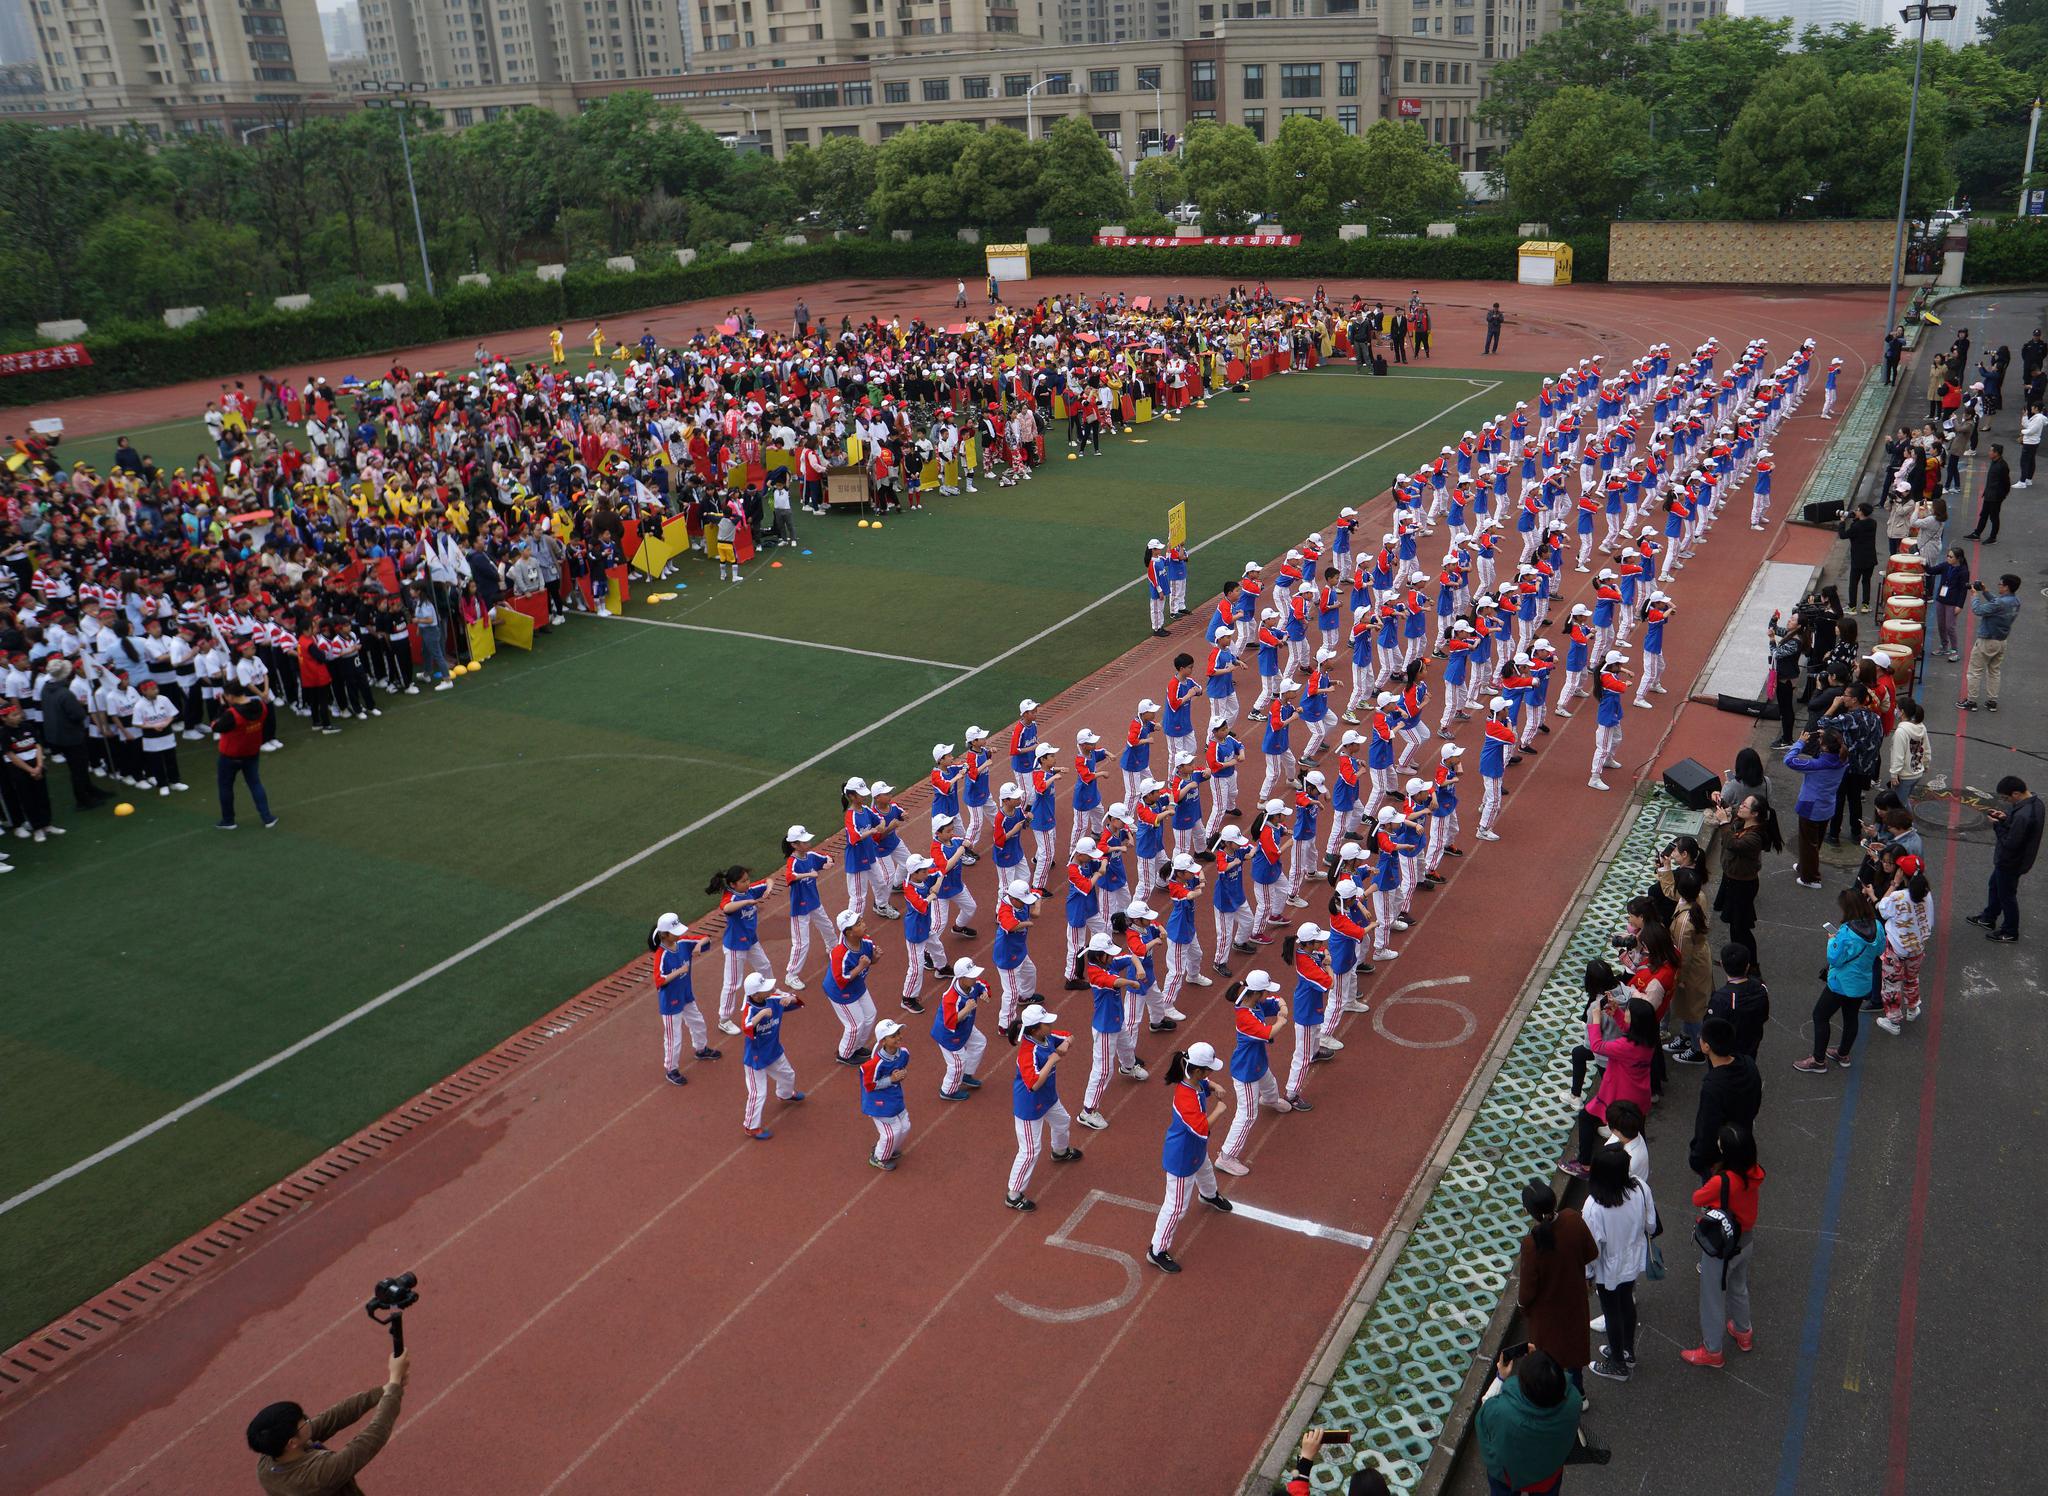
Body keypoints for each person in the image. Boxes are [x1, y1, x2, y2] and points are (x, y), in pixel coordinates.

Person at [247, 1349, 410, 1496]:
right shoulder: (316, 1477)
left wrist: (385, 1390)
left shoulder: (270, 1457)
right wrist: (394, 1381)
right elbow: (372, 1438)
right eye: (303, 1421)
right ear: (291, 1443)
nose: (309, 1420)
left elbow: (333, 1417)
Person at [1682, 1123, 1764, 1369]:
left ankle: (1712, 1350)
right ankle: (1743, 1331)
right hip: (1745, 1240)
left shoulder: (1724, 1180)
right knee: (1738, 1286)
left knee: (1712, 1297)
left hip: (1723, 1246)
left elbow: (1697, 1198)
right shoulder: (1754, 1172)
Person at [1146, 1041, 1234, 1272]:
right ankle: (1157, 1250)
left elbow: (1203, 1084)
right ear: (1196, 1070)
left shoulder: (1194, 1082)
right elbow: (1201, 1128)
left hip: (1194, 1149)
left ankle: (1208, 1195)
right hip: (1182, 1157)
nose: (1211, 1073)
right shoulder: (1186, 1098)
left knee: (1205, 1170)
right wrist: (1219, 1110)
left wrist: (1213, 1085)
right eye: (1209, 1070)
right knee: (1176, 1207)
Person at [1580, 1144, 1653, 1380]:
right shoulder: (1640, 1187)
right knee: (1626, 1304)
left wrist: (1587, 1275)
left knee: (1612, 1311)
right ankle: (1627, 1351)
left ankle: (1617, 1364)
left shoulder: (1594, 1206)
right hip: (1634, 1259)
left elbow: (1591, 1249)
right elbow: (1651, 1224)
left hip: (1608, 1268)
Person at [1513, 1179, 1596, 1388]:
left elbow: (1527, 1291)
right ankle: (1579, 1392)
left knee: (1550, 1360)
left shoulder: (1532, 1245)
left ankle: (1559, 1400)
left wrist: (1523, 1307)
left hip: (1546, 1313)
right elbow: (1591, 1252)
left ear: (1528, 1211)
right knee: (1574, 1350)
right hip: (1575, 1301)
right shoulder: (1573, 1219)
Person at [1563, 994, 1655, 1179]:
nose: (1626, 1012)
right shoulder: (1648, 1038)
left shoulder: (1626, 1046)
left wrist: (1596, 1019)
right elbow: (1631, 1029)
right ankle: (1642, 1162)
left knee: (1586, 1117)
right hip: (1640, 1095)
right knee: (1637, 1131)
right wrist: (1618, 1014)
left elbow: (1597, 1046)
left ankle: (1585, 1165)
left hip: (1619, 1095)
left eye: (1628, 1010)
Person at [1794, 887, 1882, 1073]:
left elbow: (1834, 958)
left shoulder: (1846, 933)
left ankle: (1818, 1061)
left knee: (1820, 1015)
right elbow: (1880, 950)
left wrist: (1831, 939)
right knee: (1851, 1018)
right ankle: (1843, 1054)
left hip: (1840, 984)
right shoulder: (1877, 926)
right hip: (1861, 984)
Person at [1476, 1347, 1583, 1496]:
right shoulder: (1574, 1400)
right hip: (1548, 1472)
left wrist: (1500, 1377)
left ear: (1523, 1386)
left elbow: (1485, 1408)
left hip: (1508, 1476)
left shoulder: (1502, 1412)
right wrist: (1541, 1366)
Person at [1007, 1002, 1081, 1210]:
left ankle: (1059, 1151)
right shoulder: (1027, 1053)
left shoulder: (1046, 1037)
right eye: (1046, 1023)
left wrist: (1063, 1047)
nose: (1050, 1025)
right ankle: (1013, 1193)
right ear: (1035, 1029)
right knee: (1030, 1150)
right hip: (1029, 1107)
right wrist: (1052, 1060)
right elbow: (1033, 1083)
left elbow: (1068, 1036)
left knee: (1063, 1121)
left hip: (1048, 1098)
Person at [1688, 1013, 1762, 1180]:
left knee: (1715, 1198)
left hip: (1719, 1157)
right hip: (1742, 1141)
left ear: (1707, 1047)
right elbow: (1756, 1101)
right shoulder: (1748, 1064)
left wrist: (1697, 1159)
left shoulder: (1713, 1086)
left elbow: (1707, 1127)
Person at [1968, 775, 2041, 943]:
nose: (2006, 801)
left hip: (2010, 861)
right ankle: (1989, 917)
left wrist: (1997, 824)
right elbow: (2021, 831)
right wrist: (2006, 819)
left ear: (2016, 793)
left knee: (2007, 895)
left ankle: (2010, 930)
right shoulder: (2035, 804)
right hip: (2016, 859)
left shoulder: (2023, 815)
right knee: (1995, 886)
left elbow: (2010, 843)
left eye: (2007, 798)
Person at [649, 912, 717, 1085]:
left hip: (686, 995)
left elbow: (705, 938)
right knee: (674, 1037)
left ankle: (701, 1049)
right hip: (670, 1003)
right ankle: (671, 1069)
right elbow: (659, 980)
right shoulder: (661, 955)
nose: (679, 934)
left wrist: (698, 945)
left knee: (698, 1022)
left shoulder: (684, 943)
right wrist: (679, 972)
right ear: (664, 935)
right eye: (674, 932)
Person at [738, 971, 805, 1139]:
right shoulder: (749, 1009)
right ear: (755, 994)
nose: (769, 989)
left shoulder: (774, 998)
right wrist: (761, 1015)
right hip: (756, 1059)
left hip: (774, 1051)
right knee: (758, 1093)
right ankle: (751, 1126)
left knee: (788, 1075)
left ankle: (785, 1093)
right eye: (764, 988)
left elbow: (797, 1001)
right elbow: (746, 1027)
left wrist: (790, 998)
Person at [1784, 729, 1846, 888]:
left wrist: (1800, 742)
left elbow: (1789, 760)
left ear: (1825, 748)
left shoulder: (1817, 764)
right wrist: (1828, 736)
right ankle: (1806, 867)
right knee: (1815, 841)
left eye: (1822, 741)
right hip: (1827, 806)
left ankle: (1811, 878)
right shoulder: (1843, 759)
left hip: (1810, 807)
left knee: (1807, 843)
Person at [213, 685, 277, 831]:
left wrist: (221, 709)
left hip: (230, 756)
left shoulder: (232, 714)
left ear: (230, 696)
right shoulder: (260, 705)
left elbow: (216, 726)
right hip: (252, 752)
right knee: (255, 783)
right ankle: (267, 817)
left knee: (225, 787)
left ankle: (228, 820)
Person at [1959, 573, 2020, 712]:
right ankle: (1992, 701)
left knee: (1974, 671)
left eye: (2000, 584)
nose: (1998, 585)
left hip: (1987, 641)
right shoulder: (2016, 601)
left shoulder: (2000, 603)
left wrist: (1974, 595)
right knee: (1994, 671)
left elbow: (1978, 610)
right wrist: (1985, 592)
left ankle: (1971, 701)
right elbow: (1997, 603)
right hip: (2001, 641)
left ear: (2006, 587)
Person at [858, 1018, 911, 1170]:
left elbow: (902, 1068)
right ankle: (878, 1158)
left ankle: (889, 1148)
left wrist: (902, 1074)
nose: (898, 1037)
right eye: (893, 1036)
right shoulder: (874, 1064)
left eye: (898, 1033)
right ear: (883, 1041)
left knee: (905, 1127)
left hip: (894, 1096)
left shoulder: (904, 1054)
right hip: (878, 1102)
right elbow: (869, 1085)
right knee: (891, 1133)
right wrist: (891, 1079)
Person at [1837, 503, 1879, 613]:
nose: (1855, 511)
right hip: (1870, 558)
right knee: (1866, 581)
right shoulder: (1873, 523)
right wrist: (1856, 519)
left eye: (1857, 509)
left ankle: (1852, 607)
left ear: (1861, 511)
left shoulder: (1856, 526)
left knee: (1853, 583)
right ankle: (1865, 605)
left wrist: (1842, 522)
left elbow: (1843, 535)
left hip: (1858, 559)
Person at [1965, 443, 2010, 542]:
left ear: (1996, 453)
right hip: (1989, 495)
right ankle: (1977, 533)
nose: (1989, 453)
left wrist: (2002, 495)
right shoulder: (1994, 462)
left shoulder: (2002, 466)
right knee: (1983, 515)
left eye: (1991, 451)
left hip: (1995, 497)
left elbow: (2006, 483)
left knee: (1994, 517)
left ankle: (1993, 537)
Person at [2019, 401, 2045, 488]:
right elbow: (2028, 425)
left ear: (2037, 408)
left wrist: (2022, 432)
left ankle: (2022, 481)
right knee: (2030, 461)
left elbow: (2031, 431)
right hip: (2032, 442)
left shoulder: (2038, 419)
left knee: (2024, 462)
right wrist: (2025, 416)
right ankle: (2028, 479)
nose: (2031, 408)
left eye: (2032, 407)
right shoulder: (2037, 417)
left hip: (2030, 442)